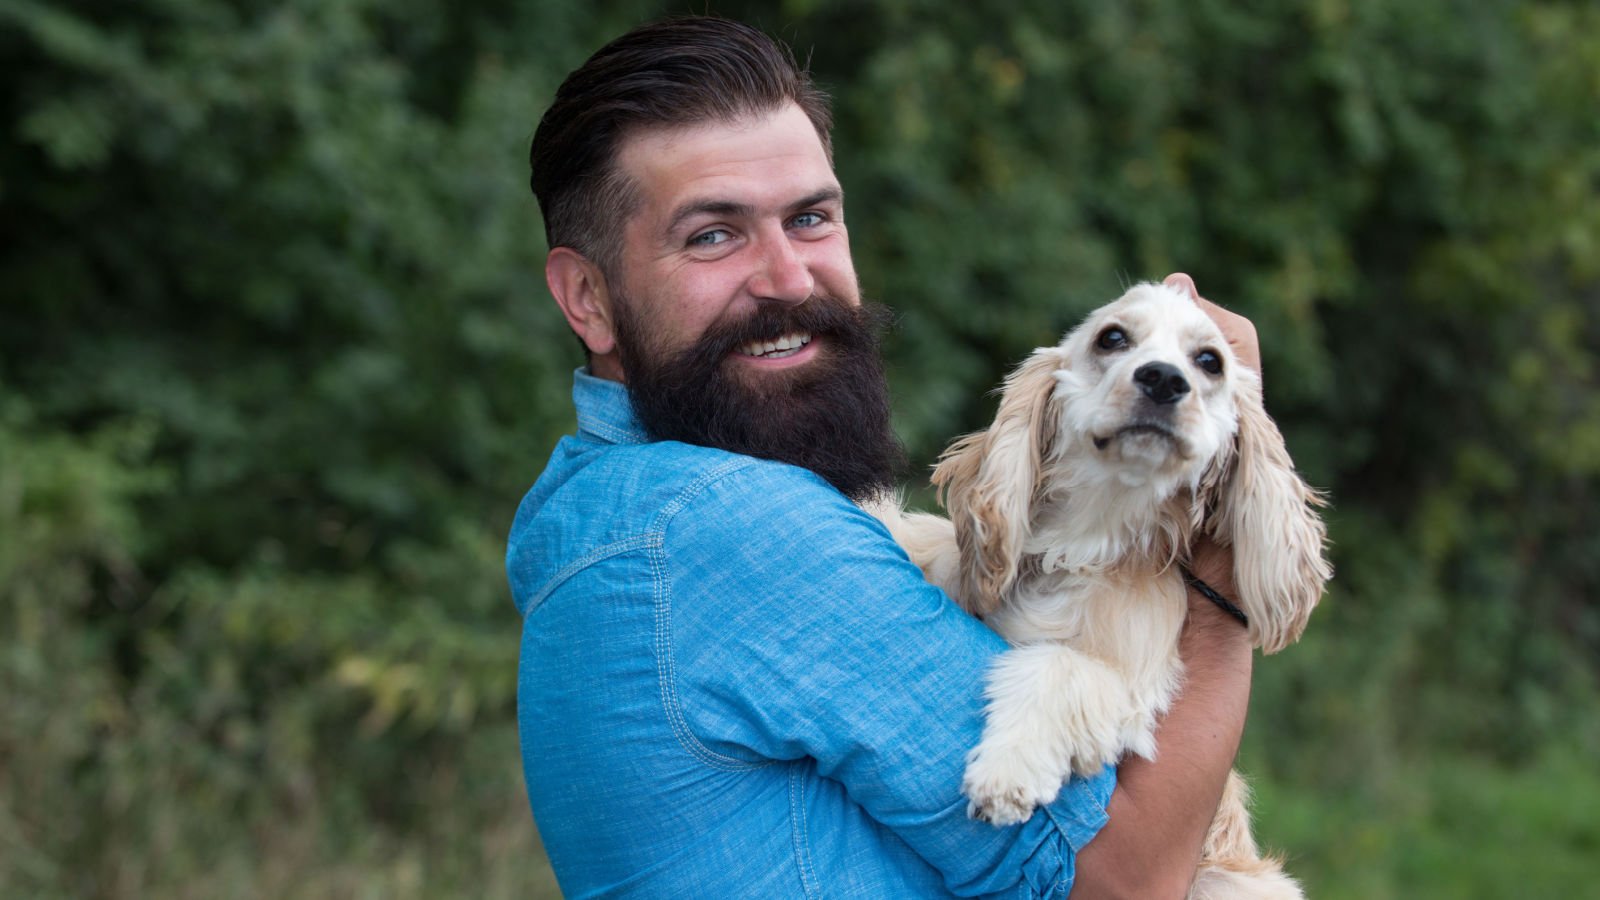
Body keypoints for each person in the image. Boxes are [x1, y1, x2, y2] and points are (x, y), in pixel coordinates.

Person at [508, 15, 1259, 898]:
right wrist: (1222, 579)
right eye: (713, 234)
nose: (789, 278)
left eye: (811, 218)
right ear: (587, 299)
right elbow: (1128, 881)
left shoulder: (596, 514)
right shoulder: (731, 529)